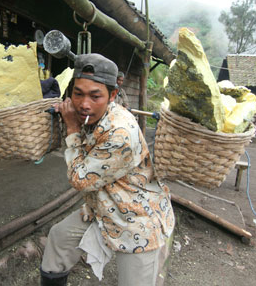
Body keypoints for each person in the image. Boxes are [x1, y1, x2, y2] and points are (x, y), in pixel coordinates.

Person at [40, 54, 175, 286]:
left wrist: (71, 127)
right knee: (59, 238)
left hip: (138, 222)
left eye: (95, 96)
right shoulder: (92, 116)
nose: (84, 104)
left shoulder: (119, 133)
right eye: (78, 93)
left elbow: (80, 179)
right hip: (102, 209)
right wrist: (64, 116)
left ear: (112, 95)